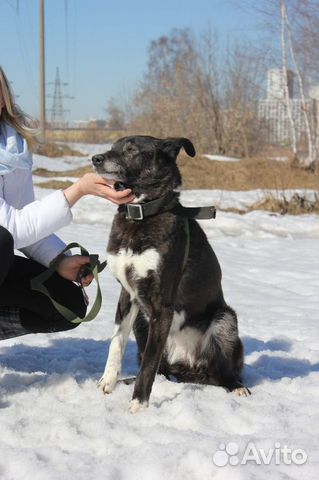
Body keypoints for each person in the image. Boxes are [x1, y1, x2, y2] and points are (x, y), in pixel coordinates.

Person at [0, 66, 134, 340]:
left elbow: (24, 219)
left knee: (66, 304)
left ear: (3, 97)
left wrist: (59, 260)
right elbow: (11, 230)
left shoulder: (12, 148)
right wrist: (78, 190)